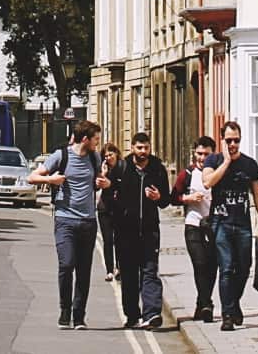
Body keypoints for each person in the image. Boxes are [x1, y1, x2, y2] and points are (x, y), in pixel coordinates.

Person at [27, 119, 109, 331]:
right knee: (66, 265)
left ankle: (79, 316)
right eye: (96, 140)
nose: (98, 144)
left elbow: (101, 180)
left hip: (88, 222)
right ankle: (65, 310)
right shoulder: (61, 156)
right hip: (65, 220)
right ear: (85, 139)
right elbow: (32, 177)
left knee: (83, 270)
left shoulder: (94, 157)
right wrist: (51, 181)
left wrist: (104, 183)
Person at [204, 120, 258, 332]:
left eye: (236, 141)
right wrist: (225, 163)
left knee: (243, 268)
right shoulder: (212, 160)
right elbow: (208, 182)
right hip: (220, 222)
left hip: (242, 224)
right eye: (229, 140)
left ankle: (233, 303)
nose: (233, 145)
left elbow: (257, 194)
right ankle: (227, 315)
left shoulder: (249, 164)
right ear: (222, 140)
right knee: (226, 268)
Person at [107, 132, 172, 330]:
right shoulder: (121, 168)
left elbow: (165, 201)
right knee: (128, 275)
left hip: (150, 230)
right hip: (126, 232)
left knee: (150, 271)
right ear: (132, 148)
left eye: (146, 148)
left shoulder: (158, 169)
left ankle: (152, 314)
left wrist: (159, 196)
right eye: (139, 148)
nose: (143, 152)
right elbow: (108, 198)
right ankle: (132, 315)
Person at [171, 136, 219, 323]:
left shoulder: (217, 173)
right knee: (199, 264)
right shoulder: (187, 174)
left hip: (214, 225)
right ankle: (207, 303)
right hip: (193, 224)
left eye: (206, 154)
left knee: (212, 266)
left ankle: (201, 303)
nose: (202, 158)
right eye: (199, 154)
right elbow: (173, 197)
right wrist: (188, 199)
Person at [97, 144, 122, 283]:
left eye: (110, 154)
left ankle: (119, 267)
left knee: (119, 239)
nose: (108, 157)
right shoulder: (103, 169)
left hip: (119, 208)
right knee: (108, 240)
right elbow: (98, 184)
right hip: (105, 208)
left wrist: (111, 183)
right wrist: (104, 174)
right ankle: (109, 270)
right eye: (106, 156)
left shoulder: (123, 167)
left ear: (116, 154)